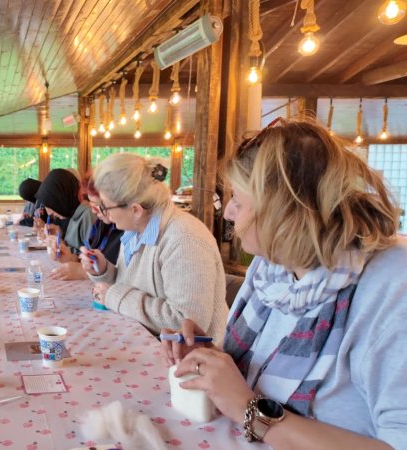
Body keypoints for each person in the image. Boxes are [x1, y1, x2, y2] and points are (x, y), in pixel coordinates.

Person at [162, 118, 406, 449]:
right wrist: (210, 361)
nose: (229, 213)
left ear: (285, 210)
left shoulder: (392, 285)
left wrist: (252, 412)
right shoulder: (271, 268)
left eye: (239, 200)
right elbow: (255, 377)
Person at [81, 153, 227, 341]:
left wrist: (114, 297)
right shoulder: (134, 230)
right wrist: (104, 271)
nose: (105, 216)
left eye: (105, 208)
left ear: (135, 209)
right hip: (145, 345)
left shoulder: (185, 238)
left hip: (188, 362)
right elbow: (130, 287)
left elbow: (187, 323)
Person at [35, 168, 95, 280]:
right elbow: (74, 249)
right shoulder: (74, 215)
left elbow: (93, 259)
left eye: (50, 205)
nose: (50, 213)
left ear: (60, 198)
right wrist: (59, 238)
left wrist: (71, 257)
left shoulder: (88, 214)